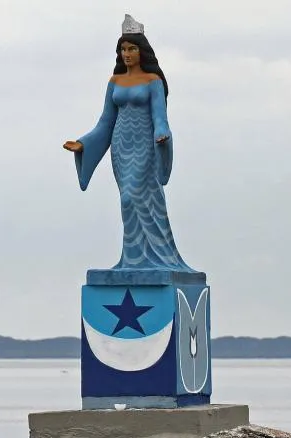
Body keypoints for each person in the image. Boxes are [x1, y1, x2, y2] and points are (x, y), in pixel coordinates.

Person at [64, 14, 197, 272]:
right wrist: (83, 144)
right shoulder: (114, 82)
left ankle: (157, 257)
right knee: (126, 200)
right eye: (123, 49)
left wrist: (162, 136)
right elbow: (105, 122)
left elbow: (160, 116)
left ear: (141, 51)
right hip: (121, 146)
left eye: (131, 48)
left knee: (134, 196)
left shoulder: (153, 81)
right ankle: (132, 259)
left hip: (146, 144)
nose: (127, 53)